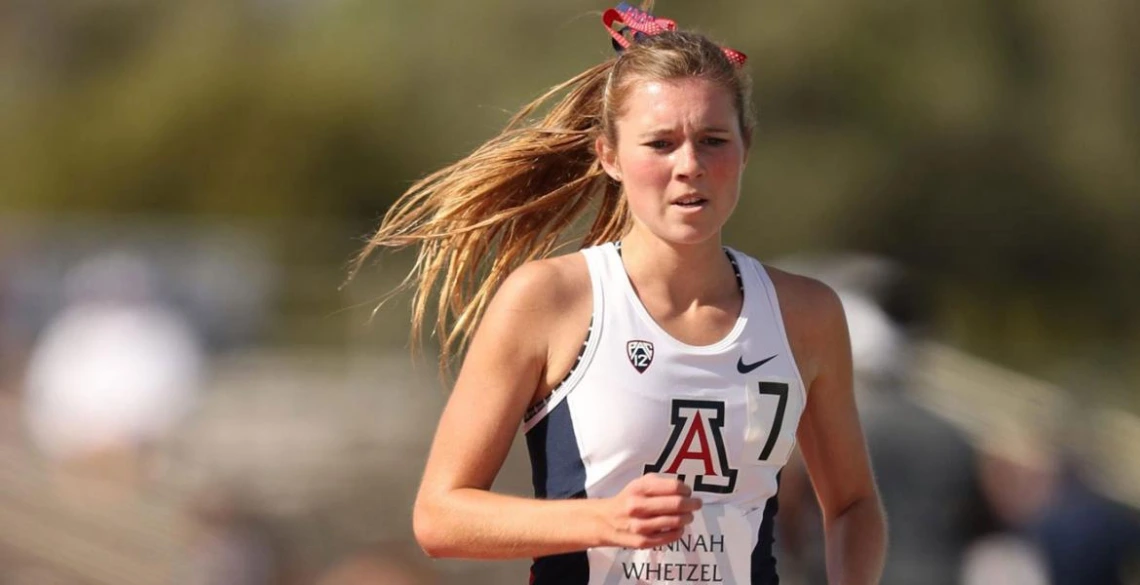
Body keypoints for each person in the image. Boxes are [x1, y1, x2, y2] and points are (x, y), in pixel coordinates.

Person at [354, 3, 886, 583]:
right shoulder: (551, 299)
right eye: (660, 144)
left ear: (745, 147)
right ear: (609, 156)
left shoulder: (805, 313)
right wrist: (604, 521)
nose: (690, 166)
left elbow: (855, 505)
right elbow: (440, 517)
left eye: (712, 140)